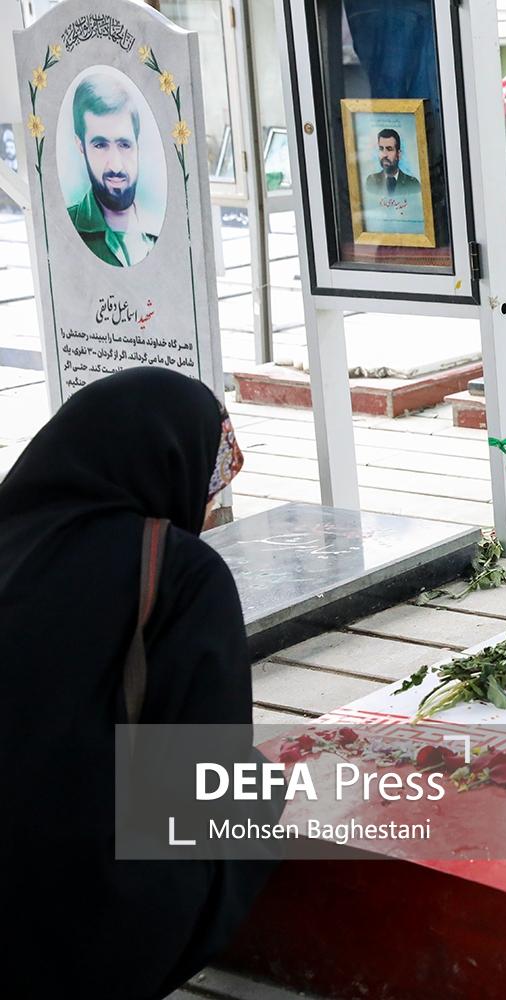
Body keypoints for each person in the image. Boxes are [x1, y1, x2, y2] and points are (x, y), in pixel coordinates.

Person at [1, 367, 277, 998]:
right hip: (74, 927)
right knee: (255, 790)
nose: (206, 508)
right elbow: (208, 768)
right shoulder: (180, 572)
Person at [68, 74, 158, 268]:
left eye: (124, 145)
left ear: (137, 144)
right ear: (80, 145)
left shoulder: (161, 227)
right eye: (100, 145)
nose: (116, 166)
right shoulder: (64, 226)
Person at [362, 127, 421, 202]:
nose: (384, 154)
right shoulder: (371, 181)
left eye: (389, 149)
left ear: (398, 154)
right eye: (381, 149)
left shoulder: (412, 184)